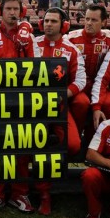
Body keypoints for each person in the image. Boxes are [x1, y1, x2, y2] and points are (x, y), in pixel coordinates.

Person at [0, 0, 40, 214]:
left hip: (22, 100)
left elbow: (37, 69)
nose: (12, 13)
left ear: (22, 11)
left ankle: (19, 192)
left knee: (22, 146)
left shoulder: (29, 37)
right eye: (8, 9)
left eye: (16, 9)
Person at [35, 8, 89, 157]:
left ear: (63, 25)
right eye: (46, 21)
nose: (48, 24)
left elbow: (80, 80)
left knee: (73, 146)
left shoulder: (72, 50)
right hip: (34, 104)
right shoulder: (32, 44)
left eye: (53, 21)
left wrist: (61, 95)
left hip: (59, 104)